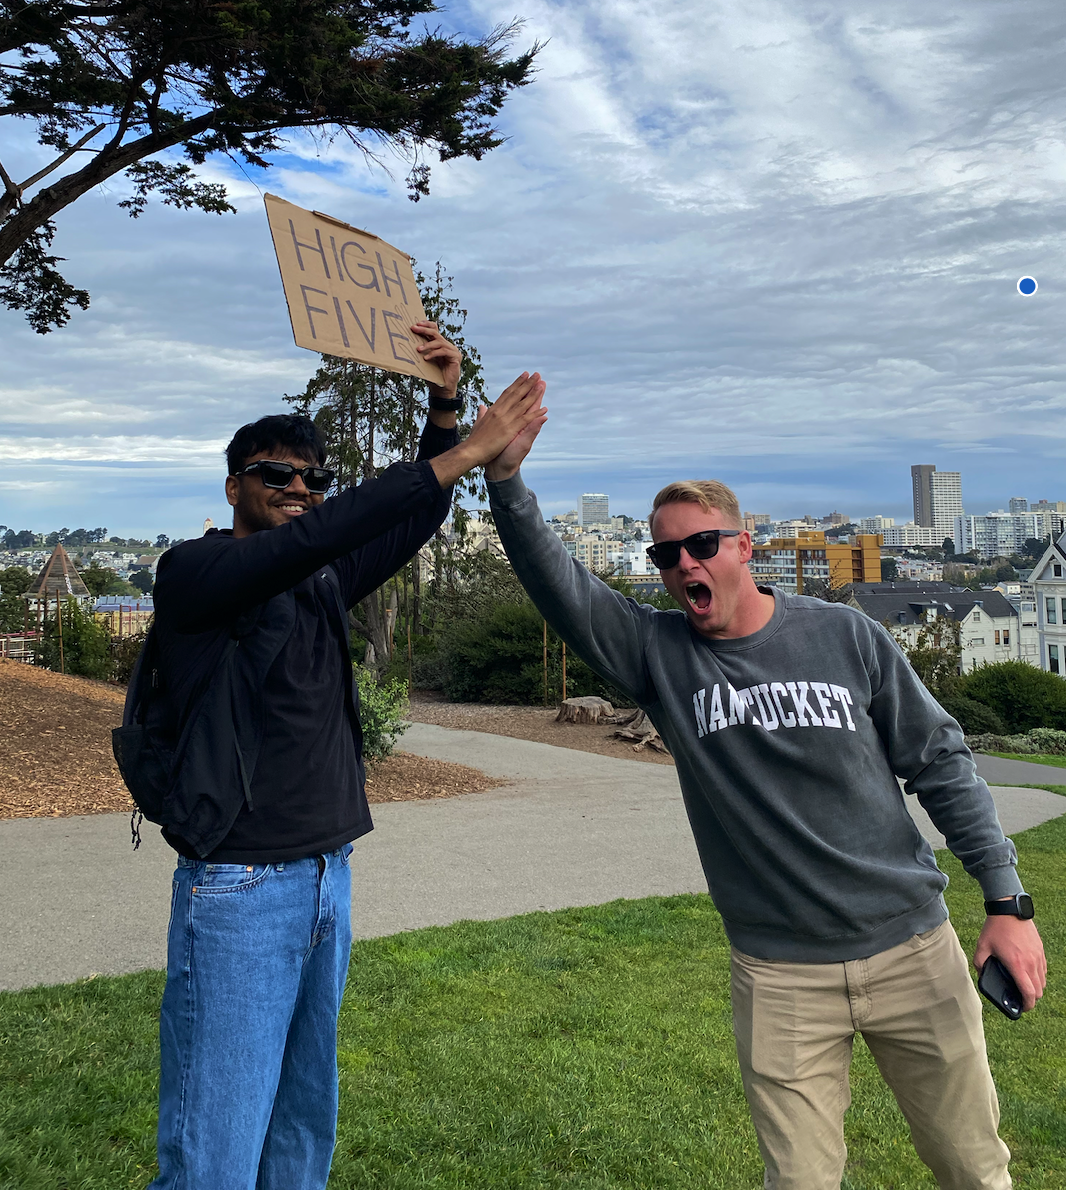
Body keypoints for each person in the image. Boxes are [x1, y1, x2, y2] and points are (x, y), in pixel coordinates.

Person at [481, 390, 1046, 1190]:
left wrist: (1006, 902)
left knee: (972, 1167)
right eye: (664, 556)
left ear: (746, 547)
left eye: (701, 545)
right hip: (780, 978)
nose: (683, 565)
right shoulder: (659, 655)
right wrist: (505, 481)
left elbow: (941, 762)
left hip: (914, 953)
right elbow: (560, 585)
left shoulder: (844, 634)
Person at [144, 325, 545, 1190]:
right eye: (276, 475)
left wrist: (444, 409)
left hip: (328, 871)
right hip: (240, 885)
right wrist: (462, 450)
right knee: (216, 1138)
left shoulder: (318, 572)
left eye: (313, 478)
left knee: (301, 1118)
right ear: (234, 486)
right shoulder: (196, 573)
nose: (299, 489)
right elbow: (307, 541)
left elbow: (410, 515)